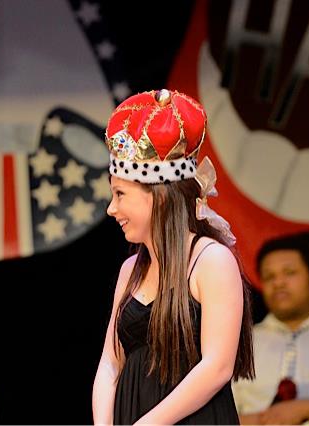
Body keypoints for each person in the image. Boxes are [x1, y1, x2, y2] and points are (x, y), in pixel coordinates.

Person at [92, 89, 255, 425]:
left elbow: (217, 367)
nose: (112, 208)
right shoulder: (130, 271)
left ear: (160, 198)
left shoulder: (211, 261)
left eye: (120, 194)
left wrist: (148, 424)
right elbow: (111, 362)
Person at [232, 234, 309, 425]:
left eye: (289, 272)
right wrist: (259, 421)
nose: (278, 283)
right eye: (269, 276)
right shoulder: (243, 342)